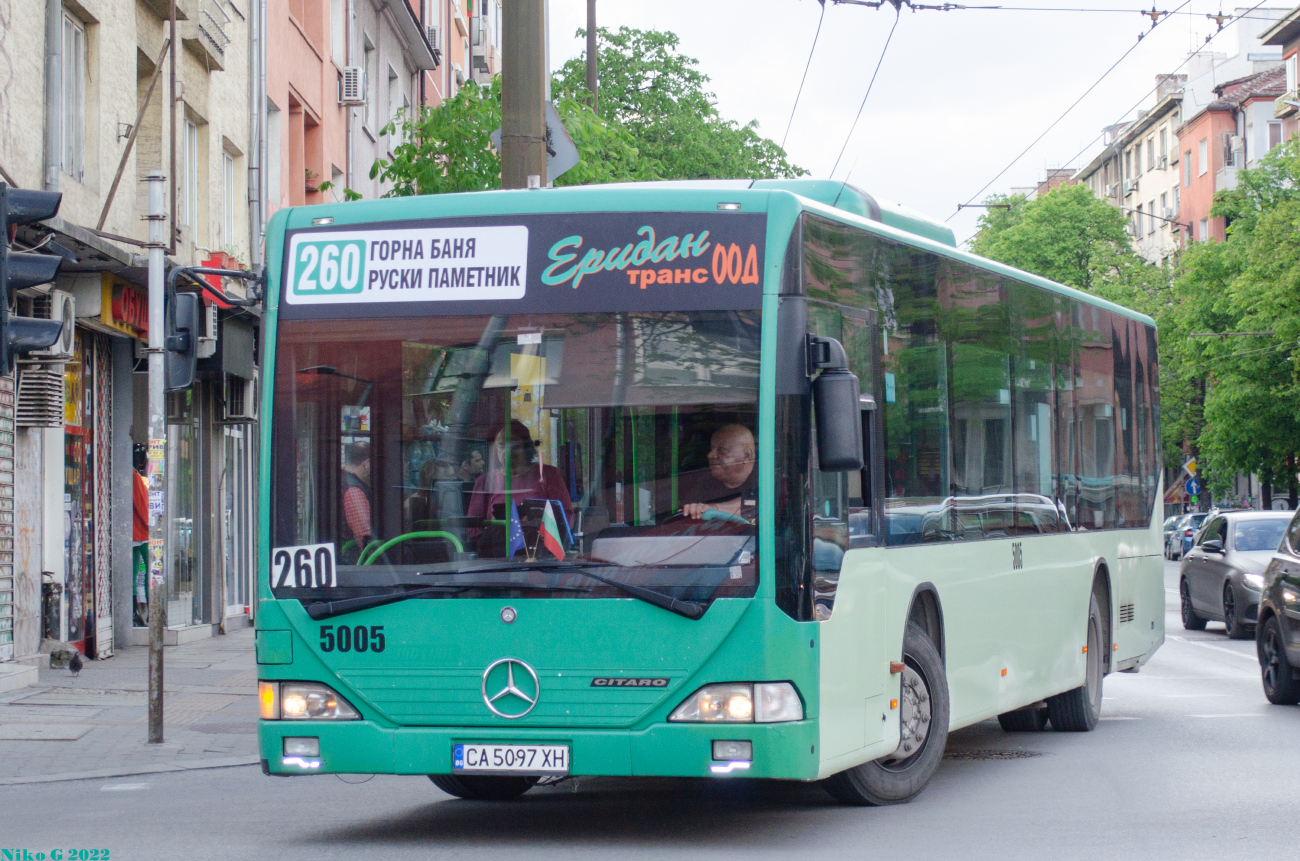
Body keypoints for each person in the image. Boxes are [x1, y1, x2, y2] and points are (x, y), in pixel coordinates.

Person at [467, 420, 574, 527]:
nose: (507, 451)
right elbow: (472, 526)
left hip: (539, 541)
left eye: (514, 445)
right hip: (497, 542)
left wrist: (537, 520)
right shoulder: (485, 481)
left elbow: (566, 517)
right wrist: (493, 525)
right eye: (501, 446)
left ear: (526, 447)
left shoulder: (548, 474)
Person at [683, 423, 757, 522]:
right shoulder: (703, 485)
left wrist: (714, 509)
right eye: (711, 449)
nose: (710, 455)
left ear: (747, 455)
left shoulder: (766, 478)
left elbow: (758, 504)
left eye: (722, 450)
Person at [341, 440, 374, 561]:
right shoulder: (354, 490)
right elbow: (364, 536)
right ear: (367, 464)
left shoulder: (342, 478)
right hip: (353, 560)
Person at [132, 444, 149, 627]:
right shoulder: (136, 477)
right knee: (152, 571)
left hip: (136, 532)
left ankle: (136, 610)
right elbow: (143, 506)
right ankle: (144, 611)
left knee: (135, 571)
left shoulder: (135, 476)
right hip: (141, 532)